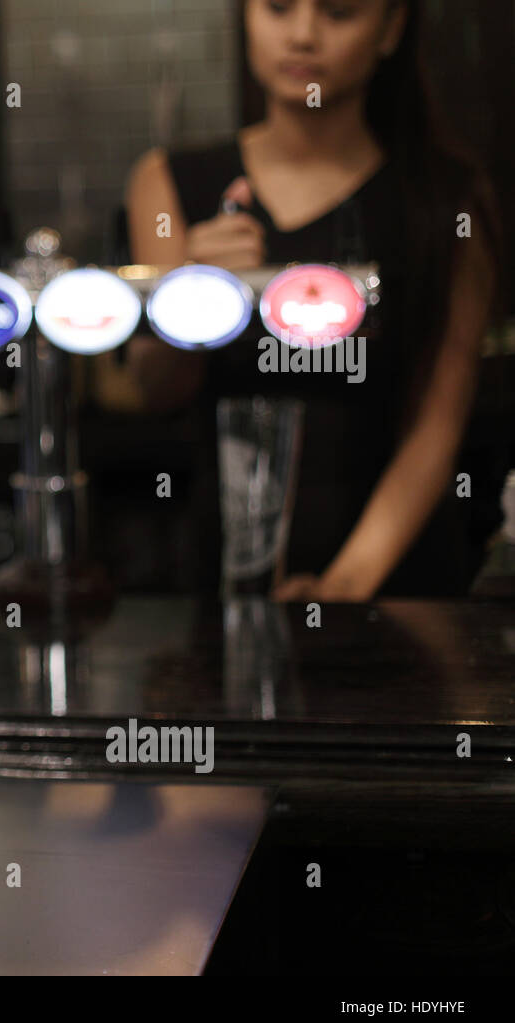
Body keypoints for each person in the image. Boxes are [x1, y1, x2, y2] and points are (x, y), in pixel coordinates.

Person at [113, 0, 501, 600]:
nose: (302, 35)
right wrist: (193, 292)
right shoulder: (170, 181)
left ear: (391, 28)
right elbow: (156, 388)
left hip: (398, 590)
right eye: (276, 8)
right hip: (224, 578)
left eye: (339, 13)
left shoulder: (446, 200)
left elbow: (436, 422)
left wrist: (344, 587)